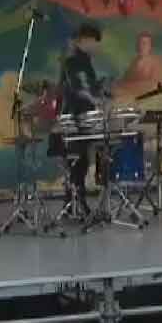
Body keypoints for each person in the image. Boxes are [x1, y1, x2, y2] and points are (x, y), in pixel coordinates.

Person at [62, 23, 104, 215]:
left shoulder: (85, 62)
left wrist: (101, 89)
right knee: (78, 161)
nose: (96, 46)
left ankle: (75, 202)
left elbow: (88, 87)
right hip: (76, 117)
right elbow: (79, 89)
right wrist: (95, 99)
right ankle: (75, 203)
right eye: (95, 42)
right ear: (85, 40)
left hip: (83, 116)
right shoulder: (73, 62)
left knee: (82, 161)